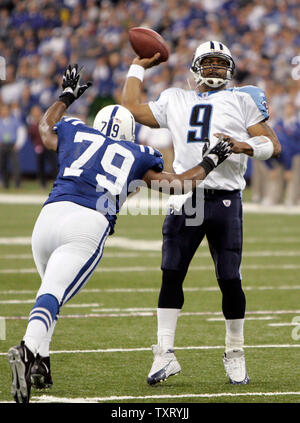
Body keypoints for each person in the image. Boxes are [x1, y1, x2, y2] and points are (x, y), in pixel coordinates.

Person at [7, 64, 232, 403]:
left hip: (48, 217)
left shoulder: (76, 130)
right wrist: (211, 161)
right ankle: (27, 350)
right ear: (130, 131)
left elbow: (44, 127)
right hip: (86, 224)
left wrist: (65, 97)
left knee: (50, 292)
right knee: (53, 294)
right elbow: (180, 185)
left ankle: (42, 360)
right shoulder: (137, 152)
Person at [121, 40, 281, 385]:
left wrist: (243, 145)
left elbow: (273, 145)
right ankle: (164, 354)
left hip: (226, 198)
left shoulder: (243, 98)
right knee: (171, 273)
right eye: (206, 63)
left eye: (218, 63)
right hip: (186, 198)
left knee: (229, 278)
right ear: (194, 68)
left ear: (230, 67)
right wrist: (138, 65)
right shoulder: (174, 98)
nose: (212, 68)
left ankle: (235, 352)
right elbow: (130, 107)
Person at [27, 104, 58, 188]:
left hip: (48, 145)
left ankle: (57, 181)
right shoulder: (31, 122)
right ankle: (42, 183)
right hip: (39, 146)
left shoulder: (45, 120)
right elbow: (31, 135)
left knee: (54, 164)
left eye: (37, 111)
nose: (36, 113)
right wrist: (36, 144)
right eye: (34, 111)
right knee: (40, 165)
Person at [0, 103, 26, 189]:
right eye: (2, 110)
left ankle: (18, 184)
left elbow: (21, 131)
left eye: (5, 110)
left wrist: (18, 144)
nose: (3, 111)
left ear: (8, 111)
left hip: (12, 144)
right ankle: (5, 184)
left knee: (15, 165)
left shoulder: (15, 120)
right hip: (2, 145)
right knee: (3, 165)